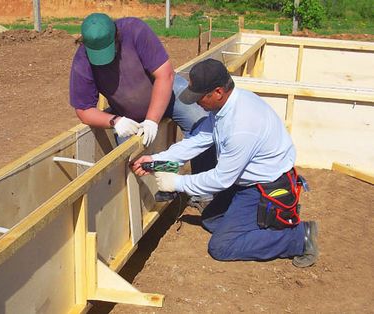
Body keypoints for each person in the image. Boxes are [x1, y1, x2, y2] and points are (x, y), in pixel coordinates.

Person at [132, 59, 319, 267]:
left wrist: (177, 183)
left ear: (218, 92)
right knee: (211, 220)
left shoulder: (242, 126)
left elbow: (222, 179)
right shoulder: (226, 107)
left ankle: (298, 237)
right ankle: (271, 219)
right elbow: (199, 140)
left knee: (222, 246)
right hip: (244, 182)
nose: (195, 103)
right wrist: (157, 160)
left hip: (263, 187)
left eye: (199, 97)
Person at [69, 13, 215, 208]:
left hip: (168, 94)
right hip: (129, 113)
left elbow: (165, 75)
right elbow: (84, 109)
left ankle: (203, 193)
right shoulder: (82, 60)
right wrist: (115, 121)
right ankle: (168, 181)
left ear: (116, 36)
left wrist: (152, 120)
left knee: (201, 123)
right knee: (133, 157)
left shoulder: (134, 30)